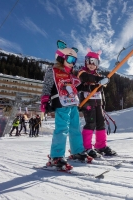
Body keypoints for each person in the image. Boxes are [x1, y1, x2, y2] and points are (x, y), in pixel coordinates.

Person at [40, 40, 91, 170]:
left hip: (73, 103)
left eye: (74, 60)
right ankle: (56, 156)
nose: (72, 62)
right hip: (61, 103)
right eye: (69, 59)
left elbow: (79, 86)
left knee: (75, 128)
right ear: (61, 57)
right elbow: (46, 86)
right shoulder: (53, 71)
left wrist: (90, 85)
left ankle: (77, 151)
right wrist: (45, 101)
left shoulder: (71, 75)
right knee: (62, 129)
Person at [77, 48, 117, 157]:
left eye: (95, 62)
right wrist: (98, 81)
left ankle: (101, 146)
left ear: (97, 64)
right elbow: (86, 78)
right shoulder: (82, 72)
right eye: (90, 61)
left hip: (98, 103)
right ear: (86, 62)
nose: (91, 64)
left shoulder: (98, 76)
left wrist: (102, 82)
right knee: (91, 123)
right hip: (87, 103)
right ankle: (87, 147)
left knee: (100, 123)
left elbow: (100, 89)